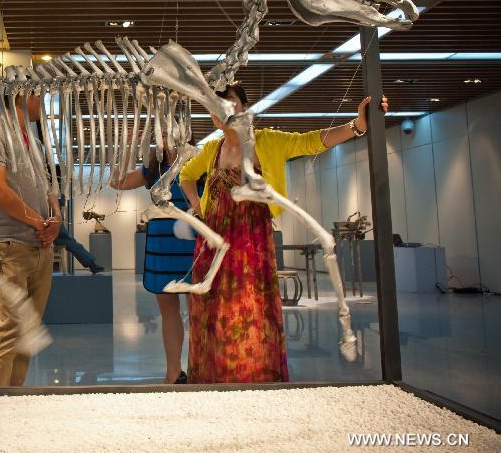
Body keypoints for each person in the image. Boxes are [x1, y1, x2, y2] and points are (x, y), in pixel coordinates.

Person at [179, 83, 387, 383]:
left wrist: (356, 126)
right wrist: (198, 207)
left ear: (244, 108)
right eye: (217, 106)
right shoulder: (212, 149)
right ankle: (213, 383)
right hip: (212, 250)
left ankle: (255, 384)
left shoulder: (268, 141)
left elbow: (312, 141)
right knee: (213, 318)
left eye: (231, 104)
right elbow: (186, 175)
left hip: (252, 250)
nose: (224, 111)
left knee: (251, 316)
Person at [0, 93, 61, 387]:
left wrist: (56, 220)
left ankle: (12, 400)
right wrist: (40, 223)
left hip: (41, 245)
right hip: (9, 245)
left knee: (28, 329)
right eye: (41, 95)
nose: (44, 102)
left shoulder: (35, 143)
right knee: (11, 327)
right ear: (25, 96)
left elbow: (49, 188)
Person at [111, 133, 205, 384]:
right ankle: (173, 372)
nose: (164, 134)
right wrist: (129, 145)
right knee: (169, 312)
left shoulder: (199, 158)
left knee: (199, 312)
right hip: (162, 243)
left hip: (192, 243)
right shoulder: (155, 166)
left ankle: (201, 368)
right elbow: (117, 181)